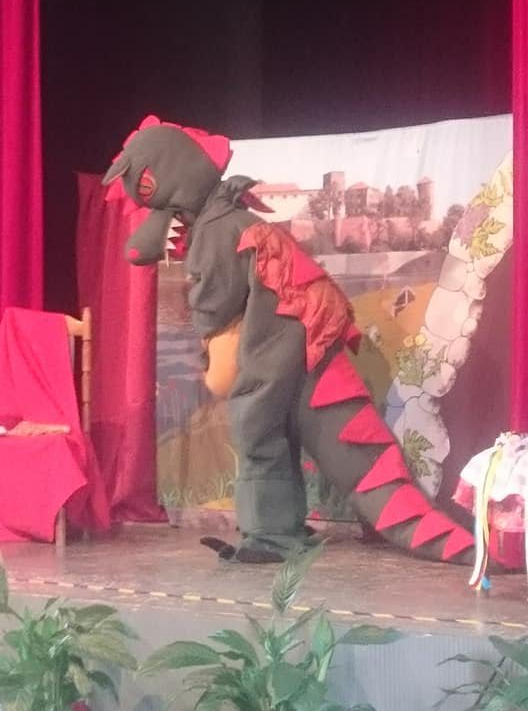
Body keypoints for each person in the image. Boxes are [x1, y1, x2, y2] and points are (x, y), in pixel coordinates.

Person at [103, 116, 478, 565]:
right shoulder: (226, 219)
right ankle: (283, 529)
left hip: (280, 350)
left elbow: (215, 301)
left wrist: (202, 319)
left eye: (146, 187)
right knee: (272, 432)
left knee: (257, 431)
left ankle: (271, 537)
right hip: (293, 347)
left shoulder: (220, 228)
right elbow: (147, 251)